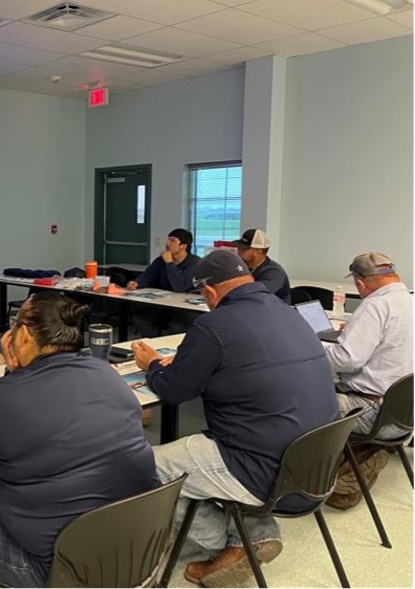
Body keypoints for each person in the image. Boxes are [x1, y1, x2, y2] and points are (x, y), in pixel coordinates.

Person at [131, 250, 339, 588]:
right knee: (193, 451)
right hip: (315, 464)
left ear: (210, 293)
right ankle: (255, 531)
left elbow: (173, 391)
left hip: (261, 465)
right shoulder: (290, 313)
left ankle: (237, 545)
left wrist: (152, 365)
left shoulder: (212, 325)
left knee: (146, 466)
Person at [0, 291, 158, 588]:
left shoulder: (0, 394)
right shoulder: (107, 373)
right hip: (138, 550)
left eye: (14, 326)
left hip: (63, 568)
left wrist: (12, 373)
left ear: (25, 335)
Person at [323, 252, 414, 510]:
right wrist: (354, 332)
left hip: (371, 412)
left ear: (360, 283)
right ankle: (363, 455)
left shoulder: (375, 306)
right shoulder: (408, 300)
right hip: (402, 414)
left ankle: (307, 478)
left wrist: (312, 346)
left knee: (298, 402)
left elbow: (346, 359)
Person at [125, 228, 201, 336]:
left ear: (183, 246)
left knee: (177, 327)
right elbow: (148, 276)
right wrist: (137, 283)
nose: (167, 243)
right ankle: (152, 346)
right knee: (141, 319)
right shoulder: (161, 260)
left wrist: (170, 263)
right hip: (164, 303)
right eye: (168, 240)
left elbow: (179, 287)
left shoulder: (194, 263)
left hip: (185, 308)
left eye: (172, 240)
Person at [231, 228, 291, 303]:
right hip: (249, 308)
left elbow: (255, 296)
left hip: (273, 311)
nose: (239, 251)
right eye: (238, 247)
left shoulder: (274, 272)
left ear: (258, 252)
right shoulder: (240, 265)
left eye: (244, 249)